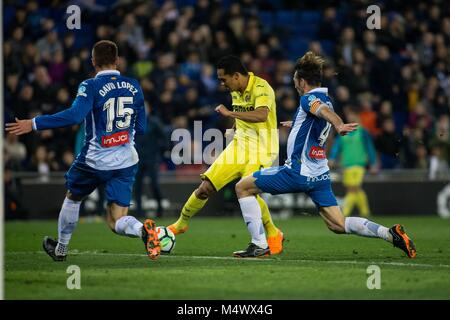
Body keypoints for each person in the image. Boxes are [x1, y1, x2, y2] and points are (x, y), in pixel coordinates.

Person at [233, 51, 416, 259]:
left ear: (302, 81)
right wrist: (297, 126)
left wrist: (338, 125)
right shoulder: (326, 99)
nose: (294, 84)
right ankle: (389, 234)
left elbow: (321, 112)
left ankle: (258, 244)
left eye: (295, 80)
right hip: (319, 175)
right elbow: (319, 117)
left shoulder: (309, 99)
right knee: (338, 224)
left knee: (243, 187)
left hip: (298, 171)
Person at [6, 40, 161, 261]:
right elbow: (142, 128)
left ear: (93, 61)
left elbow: (74, 116)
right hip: (125, 161)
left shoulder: (90, 86)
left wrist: (34, 123)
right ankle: (142, 231)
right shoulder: (134, 85)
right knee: (116, 219)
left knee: (73, 197)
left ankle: (61, 249)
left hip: (94, 161)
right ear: (117, 61)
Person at [168, 55, 285, 255]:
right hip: (239, 145)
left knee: (248, 190)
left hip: (263, 148)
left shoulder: (261, 87)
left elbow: (261, 115)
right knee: (205, 188)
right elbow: (243, 114)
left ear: (237, 76)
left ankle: (265, 239)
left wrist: (230, 114)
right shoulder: (235, 89)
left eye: (224, 79)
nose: (222, 84)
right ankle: (180, 224)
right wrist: (233, 127)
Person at [329, 109, 377, 217]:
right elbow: (337, 146)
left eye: (353, 115)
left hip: (359, 164)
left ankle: (344, 213)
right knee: (356, 189)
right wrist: (332, 158)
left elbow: (370, 148)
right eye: (349, 115)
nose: (351, 117)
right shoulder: (343, 130)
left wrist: (373, 163)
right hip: (346, 165)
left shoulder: (363, 131)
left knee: (353, 188)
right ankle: (365, 212)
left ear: (357, 116)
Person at [134, 104, 168, 218]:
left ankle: (160, 208)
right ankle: (139, 212)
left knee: (154, 185)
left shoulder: (154, 122)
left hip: (151, 159)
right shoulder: (133, 123)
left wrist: (160, 152)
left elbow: (164, 138)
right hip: (137, 159)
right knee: (137, 186)